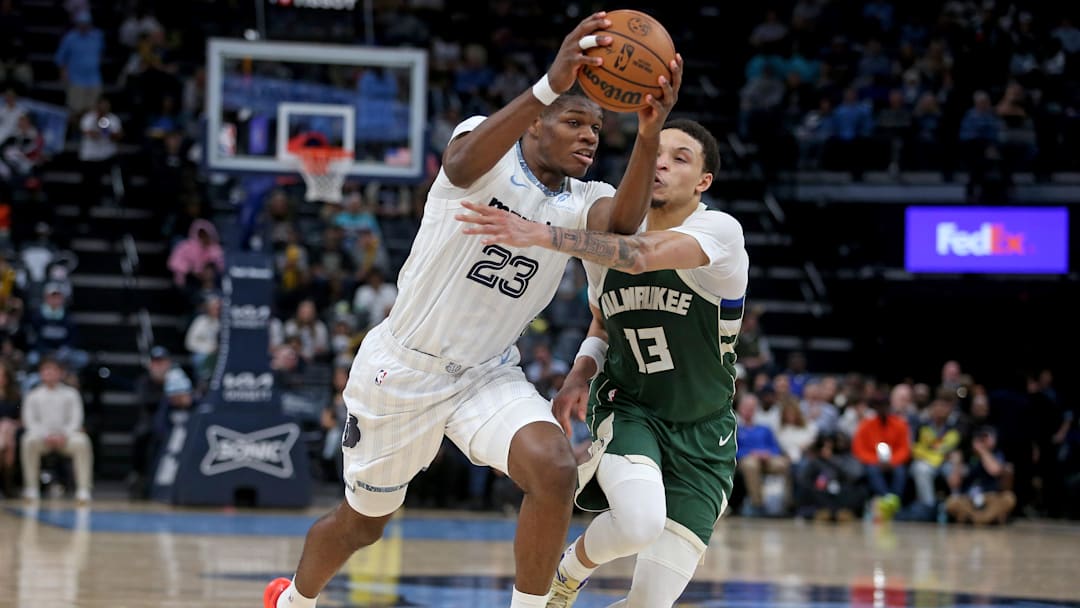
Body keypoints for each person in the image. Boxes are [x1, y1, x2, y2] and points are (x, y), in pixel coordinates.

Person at [263, 12, 683, 608]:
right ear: (535, 124)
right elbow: (458, 165)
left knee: (554, 469)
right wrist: (546, 82)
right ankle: (294, 600)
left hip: (487, 373)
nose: (590, 136)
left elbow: (623, 231)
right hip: (402, 371)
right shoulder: (486, 151)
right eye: (573, 121)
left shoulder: (584, 199)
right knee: (364, 523)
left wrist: (647, 135)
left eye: (597, 128)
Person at [458, 118, 746, 608]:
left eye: (680, 158)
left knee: (650, 604)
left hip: (704, 434)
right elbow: (603, 320)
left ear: (703, 182)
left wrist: (541, 234)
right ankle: (566, 574)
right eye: (656, 151)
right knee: (638, 522)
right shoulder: (606, 236)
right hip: (629, 406)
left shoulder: (719, 232)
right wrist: (576, 379)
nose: (661, 163)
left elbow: (635, 257)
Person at [20, 356, 93, 503]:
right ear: (40, 373)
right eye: (46, 370)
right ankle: (31, 488)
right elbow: (29, 421)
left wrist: (64, 435)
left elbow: (76, 419)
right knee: (28, 441)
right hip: (42, 438)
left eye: (53, 370)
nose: (49, 374)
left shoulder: (71, 394)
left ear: (61, 373)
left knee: (82, 442)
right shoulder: (33, 395)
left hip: (66, 438)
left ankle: (83, 490)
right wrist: (46, 435)